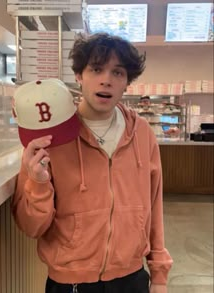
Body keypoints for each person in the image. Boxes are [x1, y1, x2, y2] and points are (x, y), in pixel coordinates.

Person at [12, 32, 173, 293]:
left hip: (131, 278)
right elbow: (31, 227)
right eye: (96, 69)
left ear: (127, 83)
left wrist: (159, 272)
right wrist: (38, 182)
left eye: (118, 73)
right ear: (79, 76)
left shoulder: (142, 133)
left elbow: (154, 206)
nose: (106, 80)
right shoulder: (51, 136)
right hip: (70, 282)